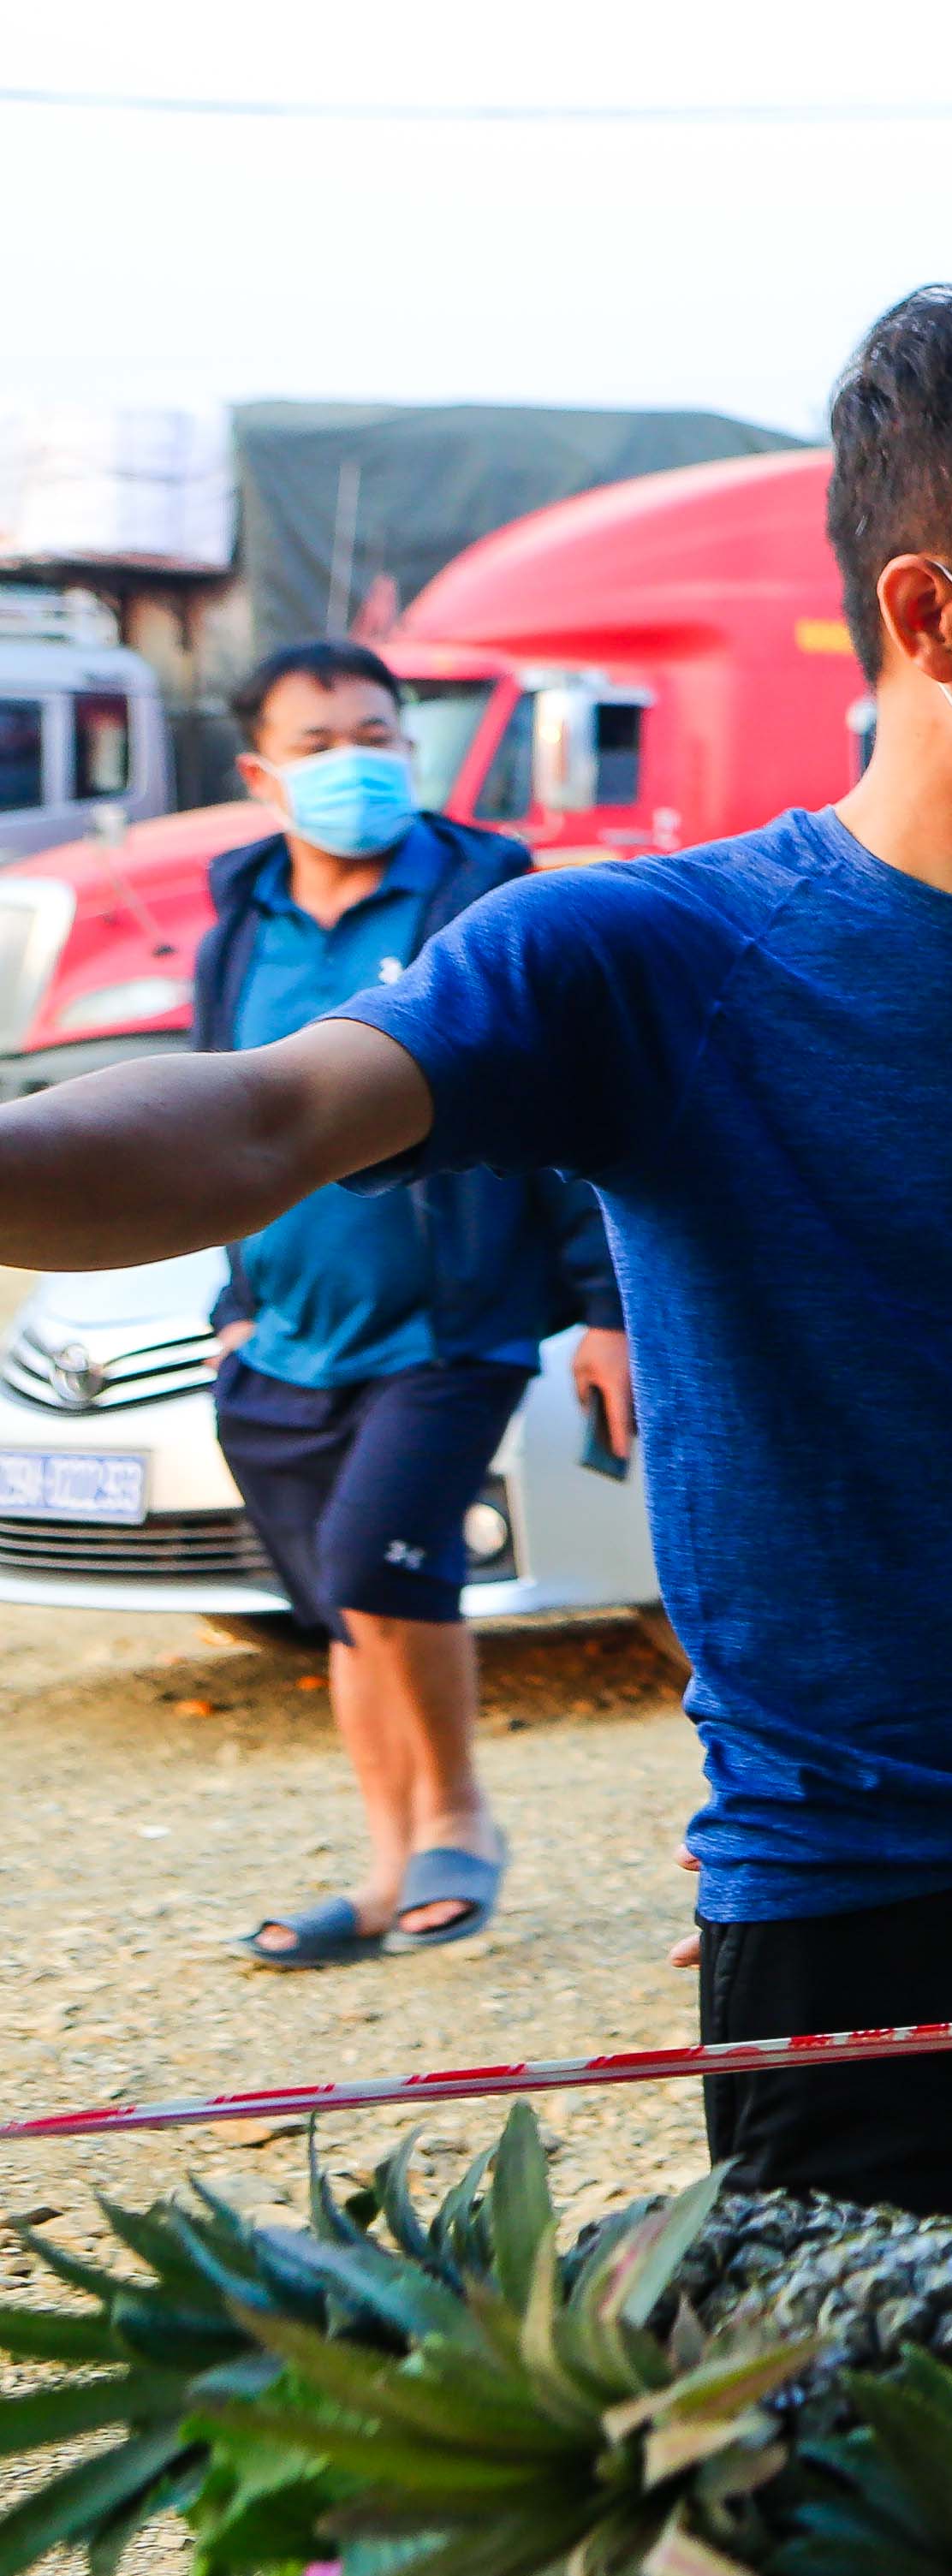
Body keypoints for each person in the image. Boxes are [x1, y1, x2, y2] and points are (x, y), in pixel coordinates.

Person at [0, 275, 952, 2261]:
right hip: (864, 1907)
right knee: (908, 2532)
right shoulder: (646, 963)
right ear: (923, 611)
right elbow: (261, 1118)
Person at [200, 639, 631, 1966]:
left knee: (379, 1564)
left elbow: (568, 1109)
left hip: (449, 1322)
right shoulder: (240, 919)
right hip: (281, 1328)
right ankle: (386, 1873)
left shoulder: (479, 896)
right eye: (321, 743)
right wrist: (232, 1290)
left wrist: (609, 1304)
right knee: (344, 1608)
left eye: (378, 734)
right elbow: (229, 1114)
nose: (358, 764)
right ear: (260, 772)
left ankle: (458, 1825)